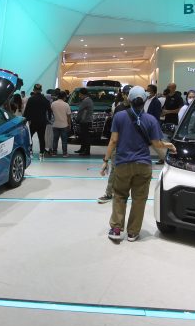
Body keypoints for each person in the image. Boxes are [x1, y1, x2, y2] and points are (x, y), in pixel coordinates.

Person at [102, 86, 176, 241]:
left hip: (122, 163)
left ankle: (116, 229)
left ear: (129, 99)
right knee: (139, 199)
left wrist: (105, 161)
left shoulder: (119, 116)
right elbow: (157, 144)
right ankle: (133, 232)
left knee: (119, 196)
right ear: (145, 100)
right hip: (143, 164)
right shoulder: (151, 119)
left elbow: (113, 140)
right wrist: (169, 145)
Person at [99, 86, 131, 204]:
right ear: (123, 95)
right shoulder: (119, 108)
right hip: (119, 144)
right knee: (115, 170)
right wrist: (106, 158)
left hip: (132, 145)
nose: (129, 96)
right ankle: (109, 193)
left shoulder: (138, 109)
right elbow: (114, 133)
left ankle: (123, 194)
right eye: (127, 94)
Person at [23, 83, 52, 159]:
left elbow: (26, 111)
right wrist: (48, 119)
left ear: (34, 90)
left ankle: (30, 152)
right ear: (41, 90)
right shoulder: (45, 100)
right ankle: (41, 153)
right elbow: (49, 111)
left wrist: (25, 119)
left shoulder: (31, 99)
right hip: (42, 122)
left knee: (30, 137)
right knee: (41, 138)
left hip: (32, 122)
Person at [50, 91, 71, 157]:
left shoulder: (53, 104)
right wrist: (69, 124)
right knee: (64, 140)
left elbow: (51, 113)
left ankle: (54, 153)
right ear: (64, 97)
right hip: (64, 125)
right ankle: (64, 153)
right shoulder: (66, 104)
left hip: (55, 124)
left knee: (55, 140)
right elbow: (68, 116)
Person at [75, 87, 94, 156]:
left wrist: (77, 119)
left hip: (85, 121)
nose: (79, 96)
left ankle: (86, 151)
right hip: (87, 120)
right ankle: (82, 149)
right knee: (84, 136)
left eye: (80, 94)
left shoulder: (85, 101)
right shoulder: (89, 100)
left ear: (83, 94)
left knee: (85, 136)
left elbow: (80, 111)